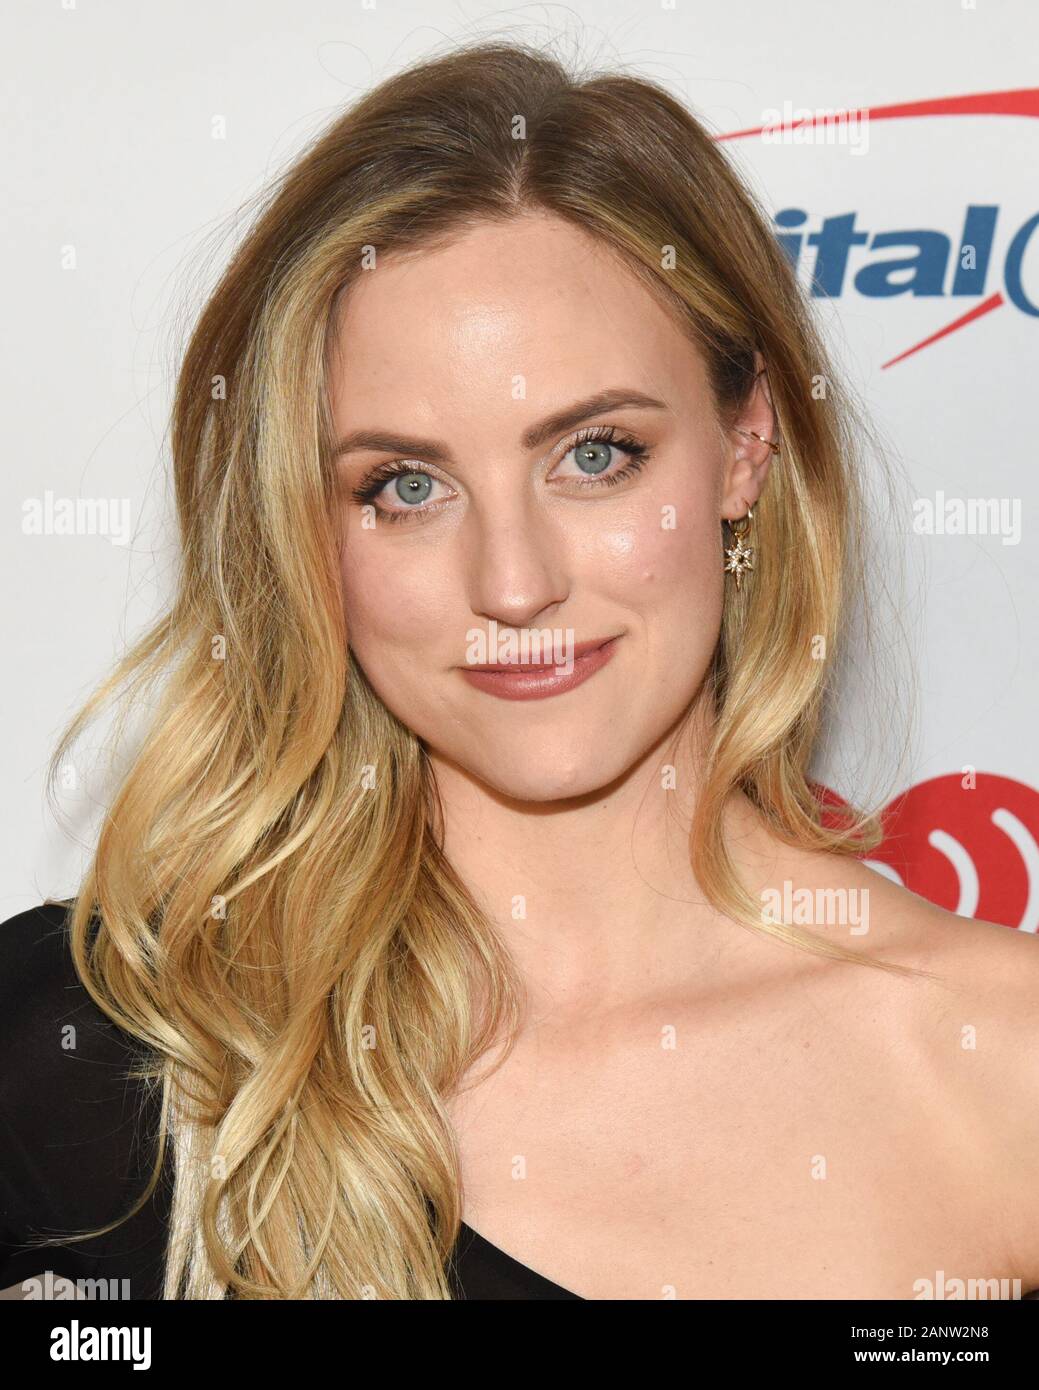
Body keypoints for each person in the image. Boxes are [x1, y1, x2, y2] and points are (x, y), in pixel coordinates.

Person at [3, 38, 1038, 1302]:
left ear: (745, 444)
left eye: (594, 455)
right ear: (302, 528)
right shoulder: (108, 1049)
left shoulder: (999, 1067)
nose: (511, 583)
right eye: (406, 486)